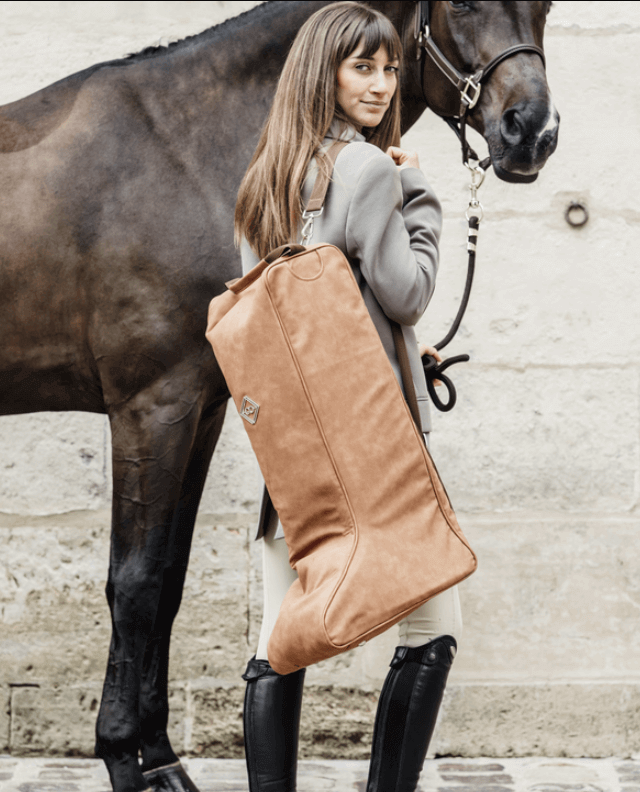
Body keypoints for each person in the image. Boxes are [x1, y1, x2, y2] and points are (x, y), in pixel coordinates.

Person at [234, 3, 462, 791]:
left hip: (295, 454)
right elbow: (408, 291)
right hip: (371, 448)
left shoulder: (265, 178)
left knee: (279, 640)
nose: (382, 84)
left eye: (390, 68)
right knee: (432, 627)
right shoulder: (368, 169)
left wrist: (398, 344)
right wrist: (419, 192)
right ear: (322, 73)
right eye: (362, 67)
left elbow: (286, 314)